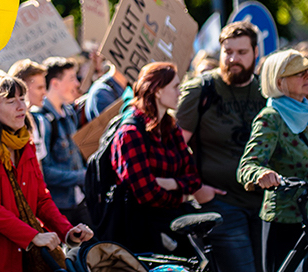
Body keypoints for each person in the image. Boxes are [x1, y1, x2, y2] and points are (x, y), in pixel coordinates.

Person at [0, 74, 92, 272]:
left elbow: (41, 198)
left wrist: (68, 231)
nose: (21, 106)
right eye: (10, 101)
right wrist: (32, 235)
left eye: (22, 99)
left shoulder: (26, 142)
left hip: (24, 252)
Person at [176, 21, 266, 272]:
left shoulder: (266, 91)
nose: (233, 59)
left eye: (242, 52)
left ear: (255, 53)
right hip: (223, 205)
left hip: (265, 205)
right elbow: (176, 148)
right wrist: (196, 187)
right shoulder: (201, 90)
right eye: (228, 52)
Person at [111, 62, 201, 255]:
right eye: (176, 87)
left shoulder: (171, 127)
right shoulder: (131, 133)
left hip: (171, 224)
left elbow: (194, 179)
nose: (180, 92)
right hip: (142, 234)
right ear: (158, 91)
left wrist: (170, 183)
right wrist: (180, 195)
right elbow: (145, 194)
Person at [237, 50, 308, 272]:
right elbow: (246, 166)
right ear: (280, 82)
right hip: (285, 222)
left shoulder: (306, 110)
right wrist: (260, 175)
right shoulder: (271, 117)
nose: (307, 77)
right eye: (300, 74)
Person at [38, 57, 91, 226]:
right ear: (55, 83)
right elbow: (43, 171)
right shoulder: (42, 120)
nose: (77, 84)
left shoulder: (69, 113)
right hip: (59, 205)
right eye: (71, 78)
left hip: (79, 200)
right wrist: (80, 176)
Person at [7, 59, 48, 161]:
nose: (44, 93)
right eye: (39, 88)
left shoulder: (39, 121)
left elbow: (39, 165)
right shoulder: (7, 125)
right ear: (21, 89)